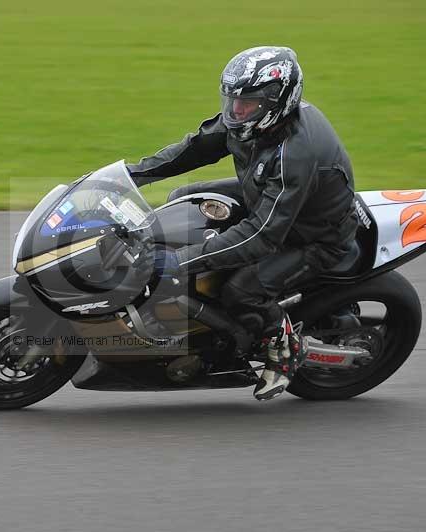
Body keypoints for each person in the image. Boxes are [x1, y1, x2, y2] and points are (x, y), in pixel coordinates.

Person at [126, 46, 359, 400]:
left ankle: (283, 346)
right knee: (182, 197)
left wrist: (183, 260)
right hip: (271, 198)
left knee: (240, 291)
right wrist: (133, 175)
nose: (235, 111)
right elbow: (195, 148)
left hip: (314, 237)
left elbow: (263, 235)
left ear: (276, 102)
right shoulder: (254, 120)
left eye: (246, 103)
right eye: (232, 100)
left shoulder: (295, 154)